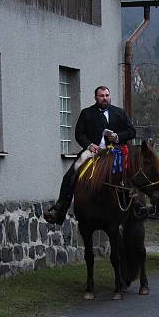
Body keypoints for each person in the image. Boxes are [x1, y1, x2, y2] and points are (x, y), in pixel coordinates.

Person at [43, 86, 136, 225]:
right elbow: (79, 134)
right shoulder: (86, 113)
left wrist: (117, 137)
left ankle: (136, 207)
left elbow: (131, 131)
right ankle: (59, 209)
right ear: (96, 97)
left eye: (107, 95)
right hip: (92, 152)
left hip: (115, 152)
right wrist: (89, 145)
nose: (105, 98)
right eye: (101, 96)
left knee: (132, 172)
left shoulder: (119, 112)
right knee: (71, 175)